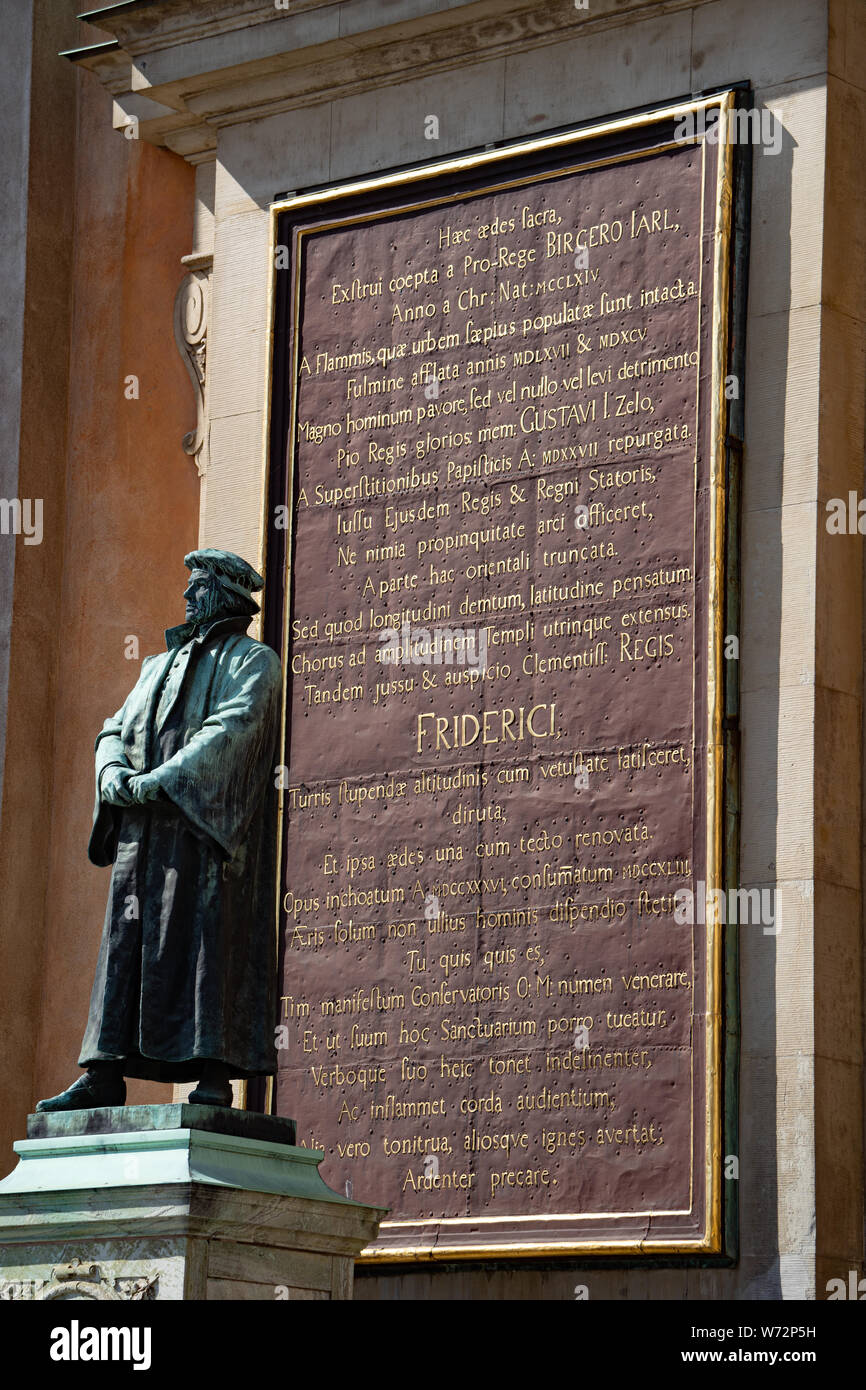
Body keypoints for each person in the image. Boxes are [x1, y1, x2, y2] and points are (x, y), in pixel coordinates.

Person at [37, 549, 282, 1111]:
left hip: (206, 833)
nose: (187, 597)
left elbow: (232, 731)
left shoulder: (253, 662)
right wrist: (112, 773)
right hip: (141, 840)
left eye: (198, 587)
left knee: (206, 944)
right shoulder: (153, 667)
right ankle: (104, 1072)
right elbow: (113, 729)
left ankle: (215, 1076)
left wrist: (164, 781)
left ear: (225, 594)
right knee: (124, 947)